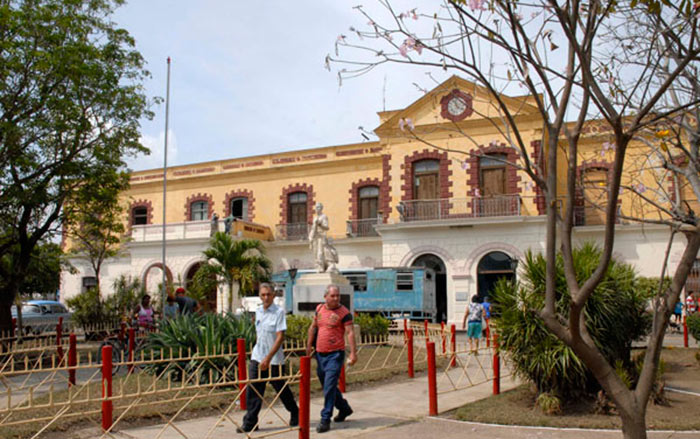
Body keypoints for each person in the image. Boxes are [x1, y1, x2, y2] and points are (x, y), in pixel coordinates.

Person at [238, 283, 299, 433]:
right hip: (257, 356)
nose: (266, 297)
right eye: (263, 294)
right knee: (254, 389)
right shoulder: (258, 311)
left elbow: (280, 337)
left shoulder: (278, 312)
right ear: (260, 295)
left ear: (273, 295)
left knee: (280, 388)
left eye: (268, 295)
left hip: (274, 359)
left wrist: (268, 357)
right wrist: (261, 357)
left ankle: (295, 412)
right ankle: (250, 422)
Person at [305, 285, 357, 433]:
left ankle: (325, 419)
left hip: (335, 355)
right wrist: (309, 346)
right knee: (329, 387)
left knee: (328, 387)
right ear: (325, 296)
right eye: (333, 296)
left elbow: (350, 333)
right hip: (320, 355)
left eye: (337, 296)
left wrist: (353, 353)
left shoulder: (344, 313)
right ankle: (344, 408)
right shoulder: (320, 309)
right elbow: (313, 327)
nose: (336, 298)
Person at [308, 202, 339, 273]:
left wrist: (320, 224)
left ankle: (322, 267)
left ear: (321, 208)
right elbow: (313, 228)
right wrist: (310, 238)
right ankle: (319, 267)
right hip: (315, 237)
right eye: (316, 207)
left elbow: (327, 227)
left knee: (320, 253)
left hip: (321, 237)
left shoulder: (323, 217)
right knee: (316, 253)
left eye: (318, 207)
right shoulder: (315, 218)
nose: (317, 209)